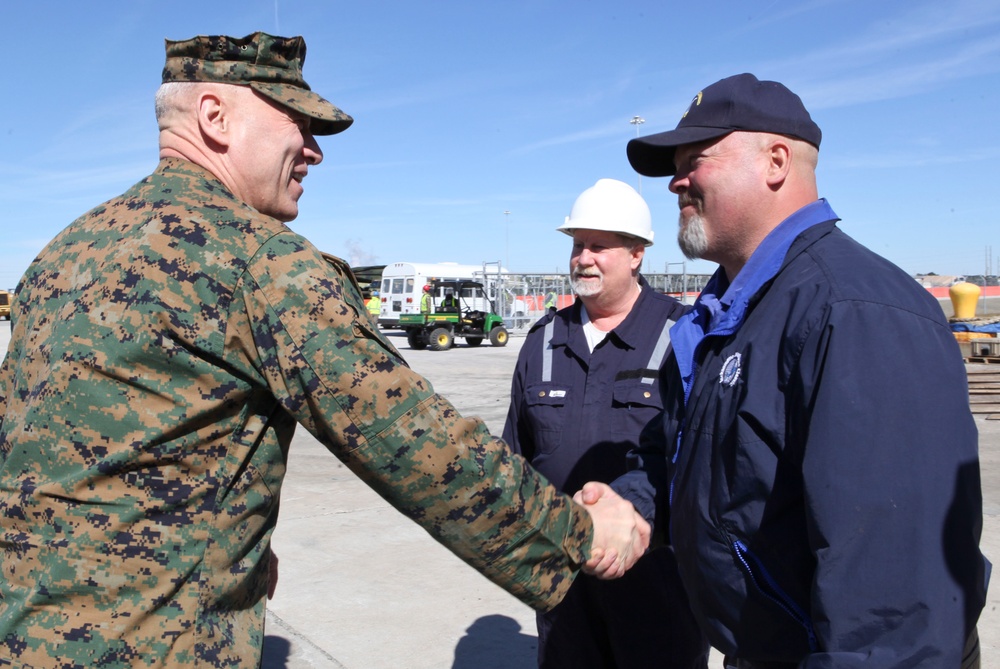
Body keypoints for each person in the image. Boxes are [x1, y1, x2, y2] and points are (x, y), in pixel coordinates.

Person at [0, 32, 649, 668]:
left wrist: (235, 544)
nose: (312, 150)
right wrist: (579, 537)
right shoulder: (256, 260)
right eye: (295, 121)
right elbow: (417, 442)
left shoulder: (63, 256)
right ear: (214, 116)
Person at [600, 73, 990, 667]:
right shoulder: (726, 311)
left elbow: (896, 601)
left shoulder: (854, 313)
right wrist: (632, 501)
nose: (677, 181)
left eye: (695, 160)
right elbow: (678, 452)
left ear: (776, 161)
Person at [503, 178, 708, 668]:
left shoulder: (684, 337)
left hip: (660, 592)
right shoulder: (543, 341)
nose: (583, 258)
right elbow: (516, 457)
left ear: (637, 254)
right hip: (563, 590)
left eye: (600, 246)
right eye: (578, 246)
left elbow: (703, 466)